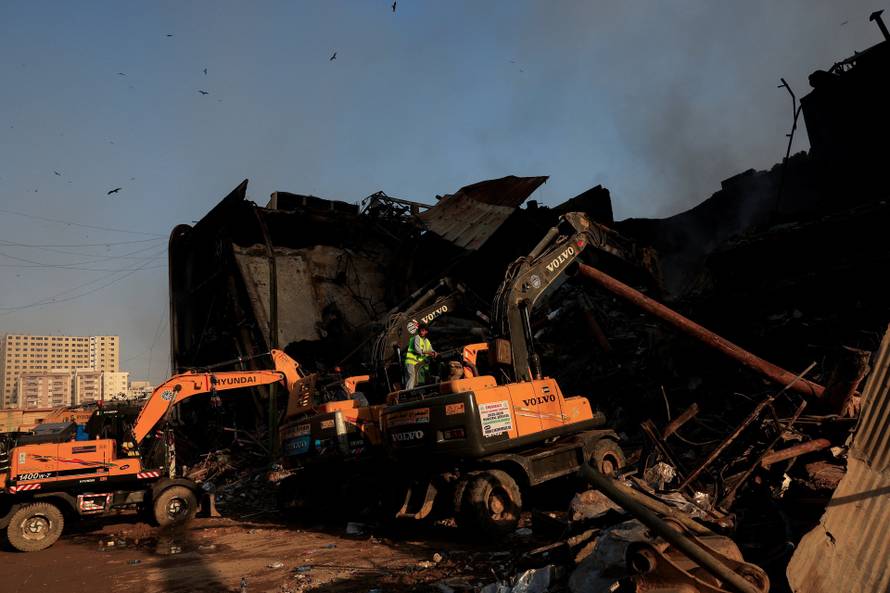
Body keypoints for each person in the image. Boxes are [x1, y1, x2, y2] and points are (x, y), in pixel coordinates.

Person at [404, 322, 436, 389]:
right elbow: (417, 350)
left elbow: (430, 349)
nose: (421, 332)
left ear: (426, 332)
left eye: (423, 331)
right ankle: (408, 391)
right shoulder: (416, 338)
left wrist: (434, 353)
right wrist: (428, 353)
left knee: (418, 376)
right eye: (420, 331)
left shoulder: (426, 341)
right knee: (411, 376)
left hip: (417, 362)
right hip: (410, 361)